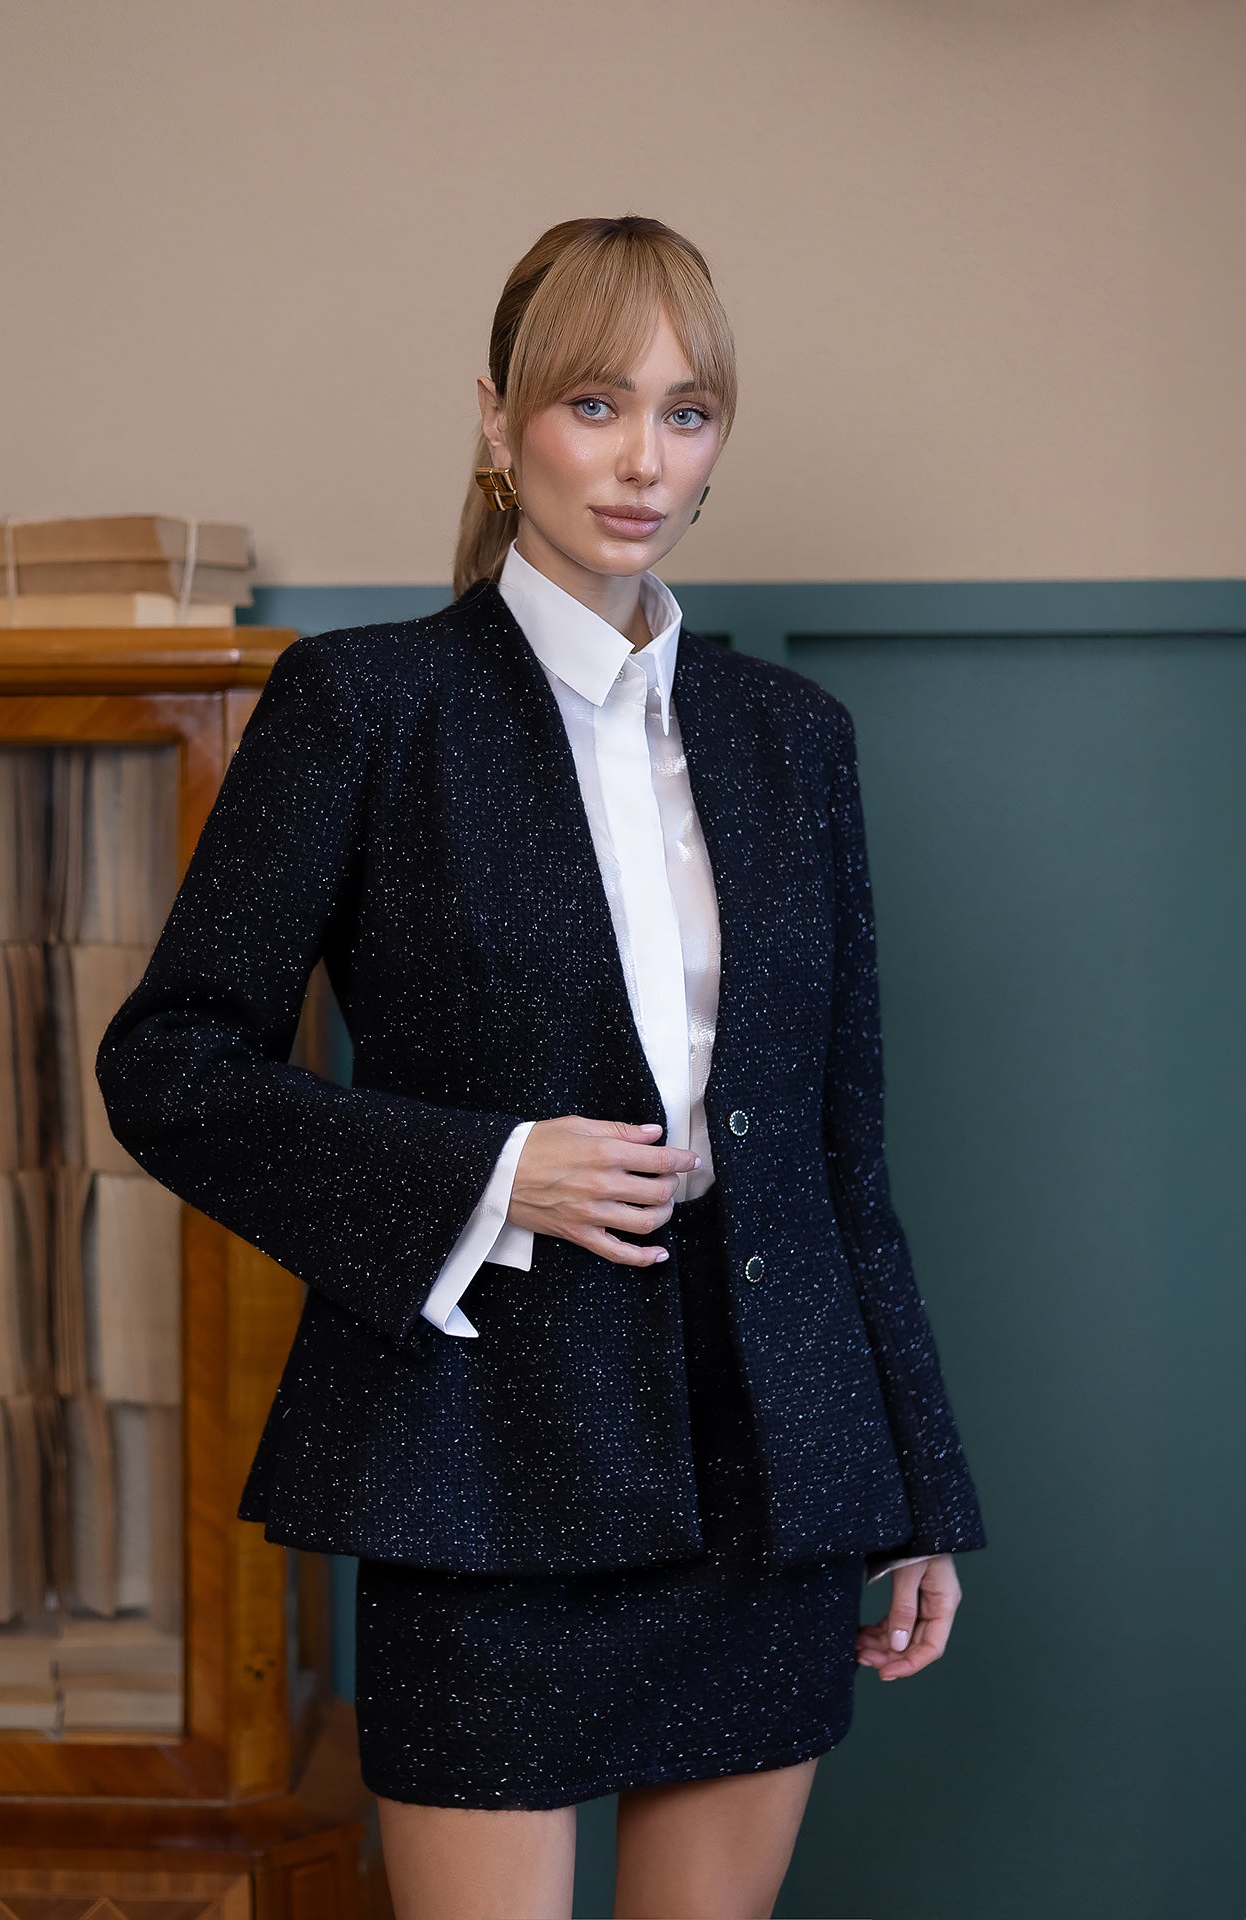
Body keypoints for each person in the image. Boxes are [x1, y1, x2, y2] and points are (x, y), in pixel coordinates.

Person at [95, 214, 988, 1920]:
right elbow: (170, 1066)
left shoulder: (794, 742)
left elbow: (838, 1154)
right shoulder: (365, 706)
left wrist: (909, 1485)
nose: (644, 460)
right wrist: (494, 1171)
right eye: (596, 404)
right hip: (482, 1460)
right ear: (499, 423)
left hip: (767, 1462)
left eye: (686, 413)